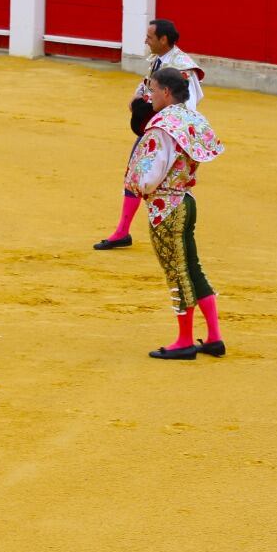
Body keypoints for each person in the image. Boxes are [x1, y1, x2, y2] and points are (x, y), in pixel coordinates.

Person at [125, 66, 226, 360]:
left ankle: (184, 340)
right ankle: (214, 337)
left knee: (177, 271)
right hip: (186, 198)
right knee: (193, 268)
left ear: (166, 92)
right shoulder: (193, 118)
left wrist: (140, 187)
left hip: (165, 205)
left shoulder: (162, 126)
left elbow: (149, 175)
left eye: (153, 90)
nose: (150, 96)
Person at [94, 18, 204, 250]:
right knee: (137, 173)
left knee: (173, 185)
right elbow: (146, 87)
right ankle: (123, 231)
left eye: (150, 37)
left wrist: (171, 130)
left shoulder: (182, 67)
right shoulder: (158, 60)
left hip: (172, 135)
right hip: (156, 129)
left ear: (163, 40)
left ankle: (176, 234)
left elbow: (189, 105)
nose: (146, 40)